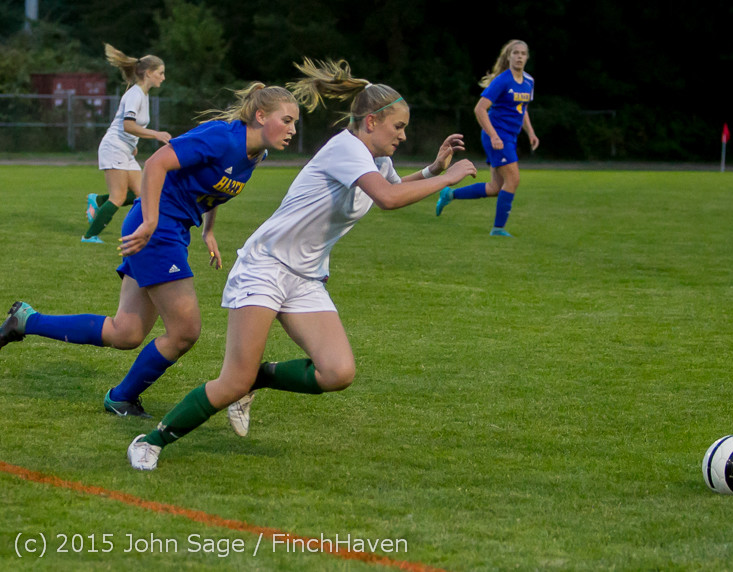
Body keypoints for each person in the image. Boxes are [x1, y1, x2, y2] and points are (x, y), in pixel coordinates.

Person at [125, 58, 478, 470]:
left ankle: (256, 380)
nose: (403, 135)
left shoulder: (373, 159)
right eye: (398, 127)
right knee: (231, 379)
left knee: (337, 372)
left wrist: (434, 169)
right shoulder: (346, 149)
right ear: (370, 123)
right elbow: (387, 198)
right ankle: (151, 441)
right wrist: (447, 181)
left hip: (306, 276)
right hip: (266, 267)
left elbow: (393, 189)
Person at [0, 83, 301, 419]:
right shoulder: (223, 138)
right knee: (185, 331)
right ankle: (121, 397)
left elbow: (213, 187)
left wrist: (209, 230)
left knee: (125, 332)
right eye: (286, 120)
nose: (292, 130)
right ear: (260, 116)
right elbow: (157, 163)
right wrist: (150, 219)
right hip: (156, 230)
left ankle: (25, 320)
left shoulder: (256, 154)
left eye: (294, 123)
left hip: (170, 230)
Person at [435, 39, 540, 237]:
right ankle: (498, 229)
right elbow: (480, 109)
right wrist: (493, 136)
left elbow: (522, 109)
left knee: (495, 188)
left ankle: (449, 194)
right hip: (498, 136)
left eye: (523, 53)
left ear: (527, 57)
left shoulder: (528, 81)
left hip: (509, 137)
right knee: (513, 179)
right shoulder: (502, 80)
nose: (519, 57)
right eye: (515, 53)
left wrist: (531, 133)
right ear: (508, 57)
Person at [83, 43, 173, 244]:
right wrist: (156, 134)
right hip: (113, 147)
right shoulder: (135, 94)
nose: (163, 77)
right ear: (149, 73)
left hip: (124, 149)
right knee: (118, 196)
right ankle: (89, 236)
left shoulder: (143, 94)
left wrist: (133, 144)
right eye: (161, 73)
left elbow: (131, 128)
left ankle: (97, 201)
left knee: (142, 195)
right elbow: (127, 126)